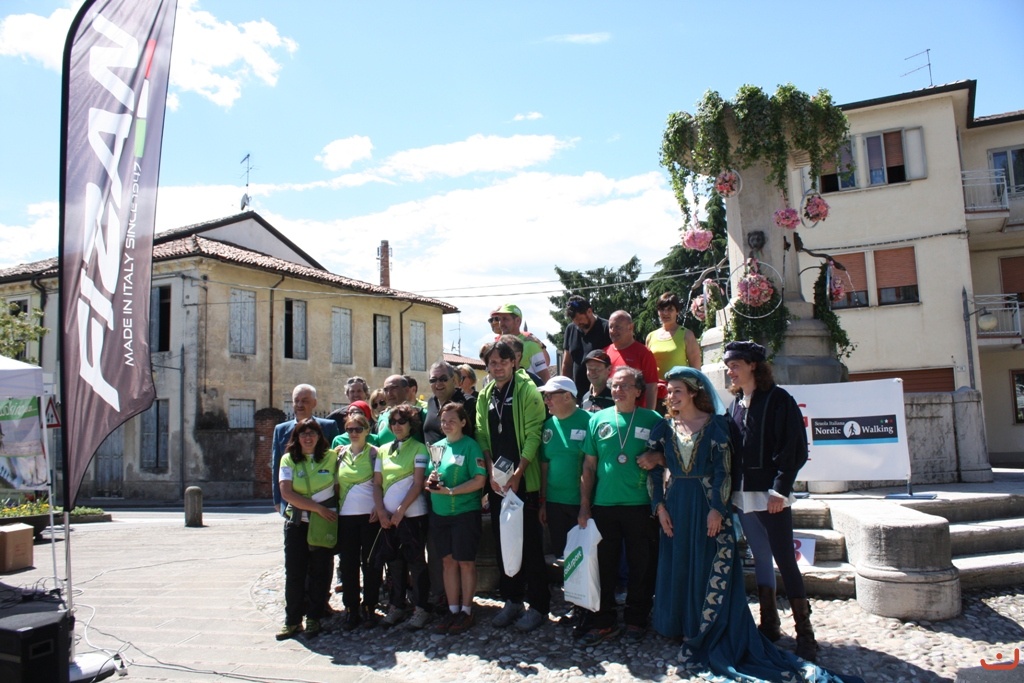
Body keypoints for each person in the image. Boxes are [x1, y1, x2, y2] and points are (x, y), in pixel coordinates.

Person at [644, 366, 859, 683]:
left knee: (709, 562)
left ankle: (776, 629)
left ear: (693, 392)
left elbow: (723, 471)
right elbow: (651, 466)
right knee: (680, 562)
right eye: (670, 391)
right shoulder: (663, 427)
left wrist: (718, 509)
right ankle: (681, 624)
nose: (672, 396)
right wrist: (659, 506)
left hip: (707, 503)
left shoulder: (717, 425)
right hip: (676, 503)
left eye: (678, 390)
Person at [725, 340, 818, 661]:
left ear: (753, 365)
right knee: (761, 558)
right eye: (728, 366)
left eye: (735, 365)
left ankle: (806, 633)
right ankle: (769, 624)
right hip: (743, 495)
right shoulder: (735, 405)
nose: (730, 371)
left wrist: (781, 488)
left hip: (771, 495)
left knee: (786, 560)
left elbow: (795, 446)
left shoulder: (779, 400)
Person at [577, 366, 661, 645]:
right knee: (604, 566)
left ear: (638, 391)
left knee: (641, 565)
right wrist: (585, 505)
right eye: (614, 385)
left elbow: (672, 455)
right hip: (604, 505)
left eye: (625, 385)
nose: (618, 390)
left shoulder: (653, 419)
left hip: (641, 505)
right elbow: (589, 466)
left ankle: (637, 619)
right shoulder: (597, 419)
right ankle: (603, 621)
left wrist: (657, 457)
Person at [475, 339, 550, 632]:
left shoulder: (527, 389)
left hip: (524, 481)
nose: (497, 367)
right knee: (503, 542)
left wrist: (519, 473)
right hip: (498, 481)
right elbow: (481, 433)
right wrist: (490, 469)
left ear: (514, 362)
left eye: (503, 362)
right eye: (492, 363)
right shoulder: (485, 394)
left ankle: (539, 605)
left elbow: (534, 434)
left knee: (529, 544)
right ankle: (512, 599)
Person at [425, 402, 487, 635]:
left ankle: (467, 610)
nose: (446, 424)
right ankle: (452, 610)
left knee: (465, 562)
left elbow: (479, 480)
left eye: (452, 420)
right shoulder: (437, 448)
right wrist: (431, 483)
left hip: (464, 513)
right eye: (443, 421)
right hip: (440, 514)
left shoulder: (471, 446)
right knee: (448, 562)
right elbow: (430, 478)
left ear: (463, 422)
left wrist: (451, 491)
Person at [275, 418, 339, 640]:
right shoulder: (288, 459)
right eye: (303, 434)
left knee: (320, 572)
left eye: (312, 433)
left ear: (320, 437)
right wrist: (317, 508)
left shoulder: (332, 457)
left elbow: (339, 485)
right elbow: (287, 493)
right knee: (295, 572)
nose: (308, 438)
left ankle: (314, 617)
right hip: (297, 523)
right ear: (297, 438)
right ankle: (292, 620)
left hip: (323, 524)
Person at [373, 404, 431, 629]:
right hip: (388, 517)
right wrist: (381, 511)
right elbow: (377, 484)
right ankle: (397, 605)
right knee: (394, 563)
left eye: (401, 422)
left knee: (416, 563)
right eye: (393, 422)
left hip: (412, 515)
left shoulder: (419, 448)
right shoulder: (383, 450)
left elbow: (418, 483)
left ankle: (421, 607)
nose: (397, 426)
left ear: (411, 424)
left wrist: (400, 510)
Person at [334, 412, 382, 630]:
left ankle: (370, 605)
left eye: (358, 429)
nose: (354, 433)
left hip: (369, 517)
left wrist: (378, 507)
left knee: (371, 564)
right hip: (346, 518)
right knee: (348, 564)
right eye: (350, 429)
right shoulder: (339, 454)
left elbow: (381, 483)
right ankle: (351, 607)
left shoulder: (375, 454)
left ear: (367, 431)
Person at [537, 376, 590, 561]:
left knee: (583, 558)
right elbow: (544, 465)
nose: (546, 401)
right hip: (554, 503)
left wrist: (586, 504)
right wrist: (543, 501)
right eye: (545, 396)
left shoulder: (590, 421)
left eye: (550, 396)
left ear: (567, 396)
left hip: (581, 503)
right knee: (561, 555)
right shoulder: (548, 425)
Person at [272, 384, 340, 515]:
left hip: (326, 504)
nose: (299, 405)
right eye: (296, 400)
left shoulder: (328, 427)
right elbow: (276, 467)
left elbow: (336, 463)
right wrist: (277, 500)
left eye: (304, 401)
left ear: (314, 403)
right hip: (293, 504)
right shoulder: (280, 430)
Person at [560, 296, 611, 403]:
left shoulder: (606, 328)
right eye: (574, 321)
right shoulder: (571, 329)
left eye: (580, 319)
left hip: (603, 395)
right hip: (577, 396)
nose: (578, 324)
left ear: (589, 311)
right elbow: (567, 364)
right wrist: (563, 389)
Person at [604, 311, 659, 409]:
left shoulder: (643, 353)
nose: (613, 331)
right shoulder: (605, 352)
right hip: (608, 410)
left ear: (630, 327)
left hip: (635, 413)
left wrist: (650, 414)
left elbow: (651, 387)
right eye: (611, 327)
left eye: (617, 327)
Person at [645, 292, 702, 382]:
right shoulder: (650, 337)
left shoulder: (687, 335)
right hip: (656, 388)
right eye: (662, 309)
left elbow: (696, 370)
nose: (665, 313)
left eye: (670, 309)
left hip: (678, 387)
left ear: (677, 311)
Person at [492, 303, 551, 382]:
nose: (501, 323)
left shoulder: (530, 344)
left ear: (517, 321)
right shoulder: (497, 345)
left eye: (505, 319)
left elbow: (545, 378)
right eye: (499, 319)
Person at [423, 361, 475, 445]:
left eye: (443, 379)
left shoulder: (468, 403)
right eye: (433, 380)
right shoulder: (431, 402)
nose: (438, 383)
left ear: (453, 380)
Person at [580, 349, 614, 413]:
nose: (593, 373)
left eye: (597, 369)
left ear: (609, 369)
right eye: (589, 369)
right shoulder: (585, 398)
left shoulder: (615, 396)